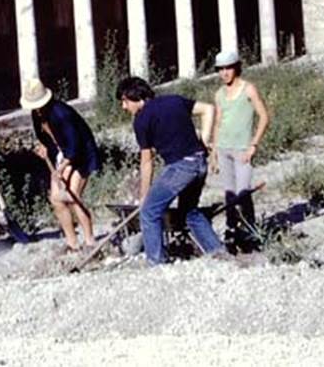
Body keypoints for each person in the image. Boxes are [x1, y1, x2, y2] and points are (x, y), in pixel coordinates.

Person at [116, 76, 224, 265]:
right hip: (199, 164)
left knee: (149, 212)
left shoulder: (141, 120)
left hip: (181, 167)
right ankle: (218, 253)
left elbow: (147, 161)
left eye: (124, 102)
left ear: (131, 97)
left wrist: (144, 196)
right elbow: (209, 109)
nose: (124, 108)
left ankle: (156, 263)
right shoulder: (174, 100)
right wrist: (204, 142)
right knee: (190, 212)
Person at [20, 78, 100, 252]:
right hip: (61, 154)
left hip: (81, 154)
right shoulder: (36, 114)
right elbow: (45, 138)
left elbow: (75, 145)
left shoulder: (61, 113)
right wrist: (43, 148)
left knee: (72, 197)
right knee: (56, 199)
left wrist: (63, 168)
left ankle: (90, 241)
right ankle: (72, 243)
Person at [210, 50, 270, 253]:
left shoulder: (248, 89)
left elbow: (263, 117)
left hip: (243, 149)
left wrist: (254, 144)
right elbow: (218, 122)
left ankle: (251, 231)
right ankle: (231, 230)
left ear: (236, 68)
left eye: (228, 68)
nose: (224, 73)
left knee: (243, 193)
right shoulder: (219, 94)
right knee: (229, 193)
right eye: (221, 69)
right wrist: (214, 153)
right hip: (224, 148)